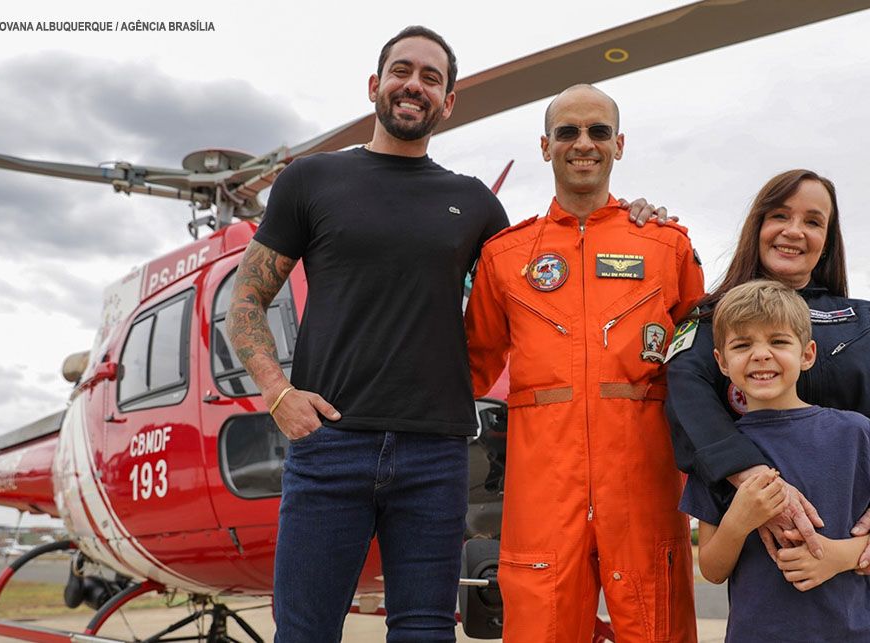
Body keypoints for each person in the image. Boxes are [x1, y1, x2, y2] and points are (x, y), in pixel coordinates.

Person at [226, 28, 665, 642]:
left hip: (435, 454)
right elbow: (245, 299)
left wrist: (629, 221)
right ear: (376, 86)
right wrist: (277, 393)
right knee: (303, 631)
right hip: (330, 446)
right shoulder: (310, 181)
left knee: (426, 630)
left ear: (448, 101)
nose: (414, 86)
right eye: (402, 72)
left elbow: (545, 274)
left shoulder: (476, 205)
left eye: (431, 78)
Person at [666, 169, 870, 642]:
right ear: (756, 226)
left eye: (813, 221)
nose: (793, 230)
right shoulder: (709, 323)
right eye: (779, 215)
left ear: (828, 239)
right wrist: (758, 486)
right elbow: (687, 402)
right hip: (781, 566)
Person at [466, 84, 703, 642]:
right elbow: (470, 366)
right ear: (544, 147)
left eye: (598, 132)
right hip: (543, 496)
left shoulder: (666, 245)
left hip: (644, 489)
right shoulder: (504, 256)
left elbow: (705, 363)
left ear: (619, 145)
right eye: (567, 132)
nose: (583, 144)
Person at [680, 279, 870, 642]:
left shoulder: (856, 433)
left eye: (778, 341)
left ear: (807, 354)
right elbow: (713, 569)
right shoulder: (719, 453)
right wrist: (739, 519)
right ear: (722, 362)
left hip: (852, 633)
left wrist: (837, 556)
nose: (761, 354)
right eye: (742, 344)